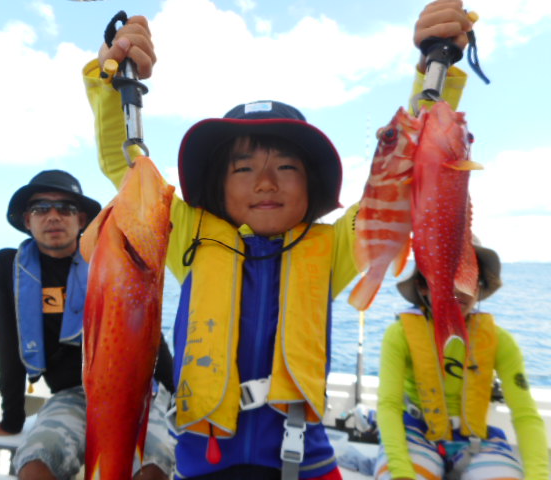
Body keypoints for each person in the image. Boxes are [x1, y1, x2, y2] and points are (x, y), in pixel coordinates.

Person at [82, 2, 476, 478]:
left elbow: (408, 173)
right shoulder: (189, 235)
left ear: (312, 184)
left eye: (286, 167)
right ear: (216, 185)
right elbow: (124, 167)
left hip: (306, 464)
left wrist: (435, 73)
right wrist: (114, 81)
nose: (265, 183)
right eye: (243, 169)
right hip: (202, 465)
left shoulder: (333, 248)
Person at [0, 170, 176, 480]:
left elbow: (146, 333)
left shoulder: (112, 261)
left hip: (135, 393)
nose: (53, 216)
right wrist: (12, 419)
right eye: (41, 208)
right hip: (71, 394)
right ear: (27, 220)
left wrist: (177, 395)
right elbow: (7, 345)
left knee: (152, 469)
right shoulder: (9, 267)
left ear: (83, 219)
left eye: (66, 208)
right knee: (34, 468)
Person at [374, 240, 550, 480]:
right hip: (416, 433)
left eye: (470, 276)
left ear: (479, 287)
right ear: (423, 286)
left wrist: (539, 475)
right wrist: (401, 471)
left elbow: (525, 414)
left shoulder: (502, 341)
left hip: (477, 441)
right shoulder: (399, 335)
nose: (460, 286)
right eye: (446, 275)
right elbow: (389, 406)